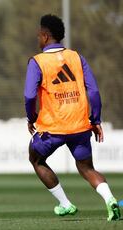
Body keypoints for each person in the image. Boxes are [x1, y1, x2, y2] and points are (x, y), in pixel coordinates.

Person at [24, 14, 121, 221]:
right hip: (80, 125)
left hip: (52, 129)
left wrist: (31, 117)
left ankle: (65, 203)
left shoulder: (37, 61)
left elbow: (30, 95)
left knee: (36, 159)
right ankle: (110, 199)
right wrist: (95, 120)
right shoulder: (77, 57)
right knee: (87, 167)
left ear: (44, 35)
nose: (38, 39)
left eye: (39, 36)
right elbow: (93, 91)